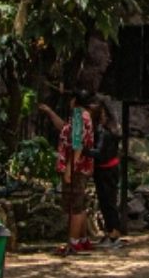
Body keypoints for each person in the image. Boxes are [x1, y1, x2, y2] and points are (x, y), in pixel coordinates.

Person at [37, 90, 95, 256]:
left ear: (74, 101)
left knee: (74, 204)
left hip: (76, 167)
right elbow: (65, 130)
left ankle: (73, 242)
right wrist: (49, 112)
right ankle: (82, 239)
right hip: (83, 166)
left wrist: (70, 167)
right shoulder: (84, 116)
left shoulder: (78, 115)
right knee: (80, 202)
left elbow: (77, 144)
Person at [87, 99, 125, 248]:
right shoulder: (109, 131)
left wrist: (83, 151)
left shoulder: (105, 133)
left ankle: (114, 233)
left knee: (109, 202)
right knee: (106, 202)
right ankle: (110, 231)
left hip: (106, 170)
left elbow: (99, 153)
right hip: (106, 169)